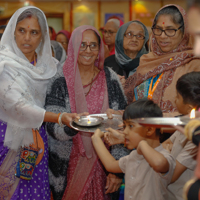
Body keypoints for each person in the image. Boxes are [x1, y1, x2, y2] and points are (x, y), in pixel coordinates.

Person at [0, 6, 77, 200]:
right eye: (22, 31)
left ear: (42, 36)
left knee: (35, 191)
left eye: (34, 32)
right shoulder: (4, 64)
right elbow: (17, 106)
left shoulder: (50, 66)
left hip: (37, 140)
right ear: (13, 32)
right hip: (7, 138)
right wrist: (58, 117)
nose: (27, 38)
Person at [45, 25, 128, 200]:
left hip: (105, 165)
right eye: (82, 45)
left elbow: (122, 125)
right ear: (73, 47)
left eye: (93, 45)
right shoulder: (60, 80)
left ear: (99, 49)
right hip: (68, 166)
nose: (87, 50)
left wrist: (116, 170)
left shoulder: (110, 79)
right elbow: (52, 125)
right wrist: (72, 125)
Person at [124, 4, 200, 117]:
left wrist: (155, 119)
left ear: (184, 32)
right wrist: (120, 114)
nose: (162, 36)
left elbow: (196, 114)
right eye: (158, 29)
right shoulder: (147, 62)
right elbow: (136, 108)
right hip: (140, 132)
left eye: (170, 30)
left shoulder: (194, 64)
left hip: (180, 133)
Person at [92, 99, 176, 200]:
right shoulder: (133, 156)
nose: (125, 132)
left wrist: (141, 144)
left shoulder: (165, 156)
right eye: (125, 126)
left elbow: (158, 163)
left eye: (130, 126)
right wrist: (96, 138)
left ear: (149, 129)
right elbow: (110, 165)